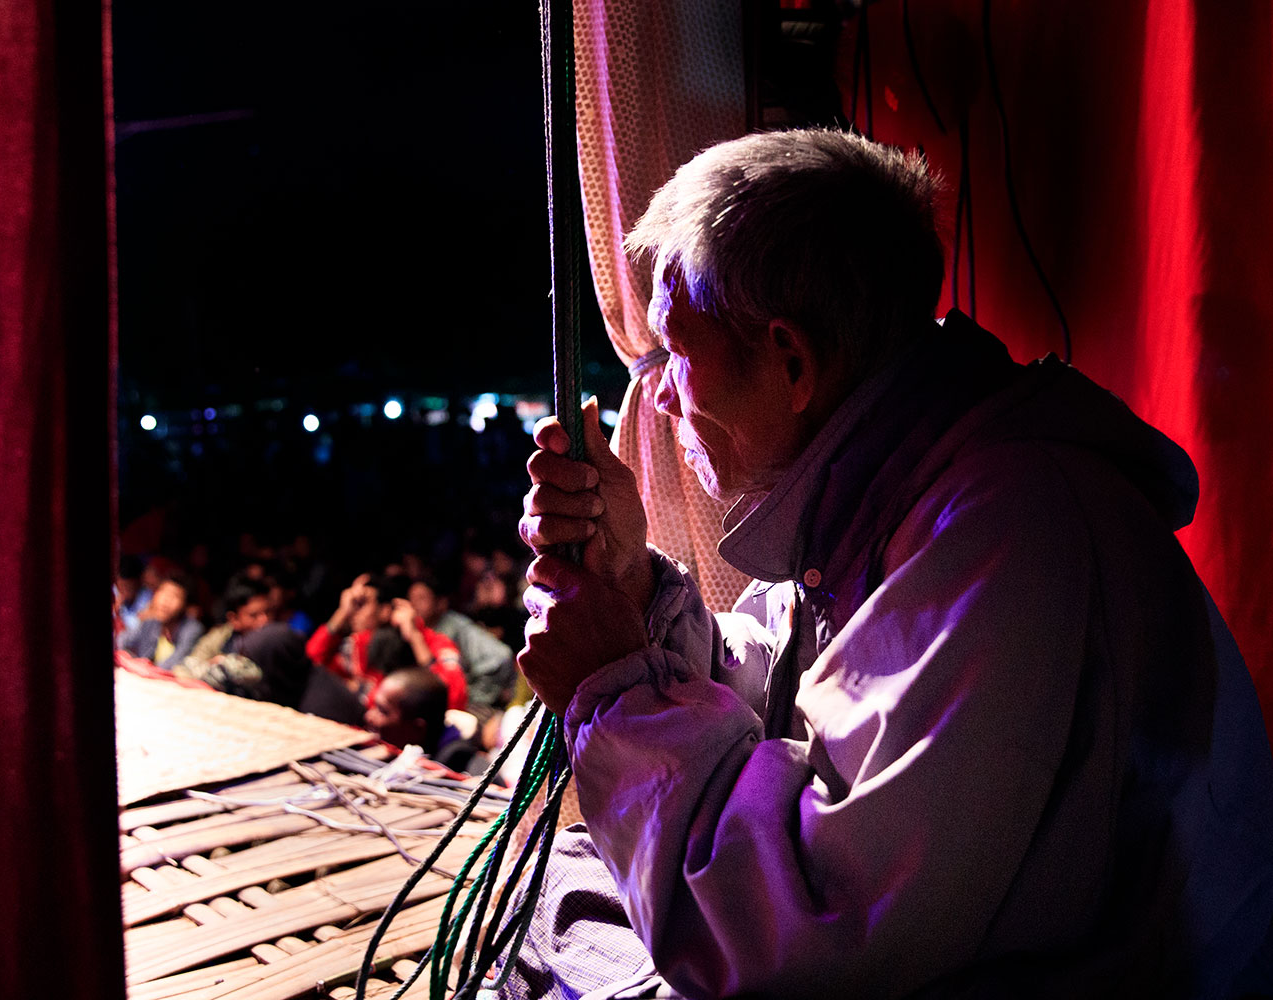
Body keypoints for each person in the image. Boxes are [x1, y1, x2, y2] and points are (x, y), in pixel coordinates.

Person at [510, 129, 1273, 998]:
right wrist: (633, 589)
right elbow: (784, 696)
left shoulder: (1006, 528)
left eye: (676, 353)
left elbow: (805, 933)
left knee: (563, 920)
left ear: (790, 361)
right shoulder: (892, 483)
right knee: (561, 881)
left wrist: (617, 691)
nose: (660, 395)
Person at [305, 572, 468, 710]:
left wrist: (415, 638)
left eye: (361, 604)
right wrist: (341, 612)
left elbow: (454, 699)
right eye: (353, 604)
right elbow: (310, 667)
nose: (353, 612)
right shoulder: (359, 643)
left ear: (385, 610)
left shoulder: (438, 643)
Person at [173, 573, 310, 706]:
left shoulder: (279, 640)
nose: (264, 620)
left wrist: (224, 663)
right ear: (234, 619)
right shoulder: (222, 635)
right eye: (254, 615)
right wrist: (214, 665)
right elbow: (186, 668)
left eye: (268, 612)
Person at [408, 572, 517, 713]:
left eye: (421, 598)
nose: (414, 605)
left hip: (472, 705)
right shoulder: (417, 629)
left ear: (441, 603)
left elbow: (500, 656)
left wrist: (475, 696)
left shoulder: (456, 627)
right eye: (411, 599)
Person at [115, 572, 205, 672]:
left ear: (185, 605)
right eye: (163, 592)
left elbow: (173, 663)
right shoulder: (151, 622)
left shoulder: (192, 629)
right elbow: (122, 642)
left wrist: (141, 667)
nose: (165, 601)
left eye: (174, 596)